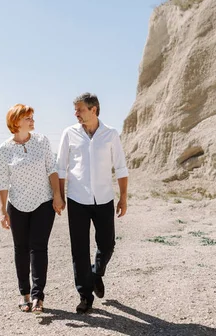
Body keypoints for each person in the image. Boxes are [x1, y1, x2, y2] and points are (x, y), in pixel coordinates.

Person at [56, 92, 129, 314]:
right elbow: (61, 167)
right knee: (79, 250)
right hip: (77, 198)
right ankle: (85, 296)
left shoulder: (110, 134)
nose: (75, 113)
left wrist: (123, 197)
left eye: (80, 109)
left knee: (107, 244)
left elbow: (121, 167)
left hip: (104, 198)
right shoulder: (69, 134)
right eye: (75, 110)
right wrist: (59, 196)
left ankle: (96, 273)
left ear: (93, 110)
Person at [0, 104, 64, 314]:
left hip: (43, 203)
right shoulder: (4, 150)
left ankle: (38, 296)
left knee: (39, 247)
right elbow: (2, 183)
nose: (32, 120)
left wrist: (57, 195)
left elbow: (52, 169)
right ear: (16, 122)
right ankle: (24, 294)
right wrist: (3, 211)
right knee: (21, 249)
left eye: (32, 117)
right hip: (17, 205)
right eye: (28, 117)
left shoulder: (42, 141)